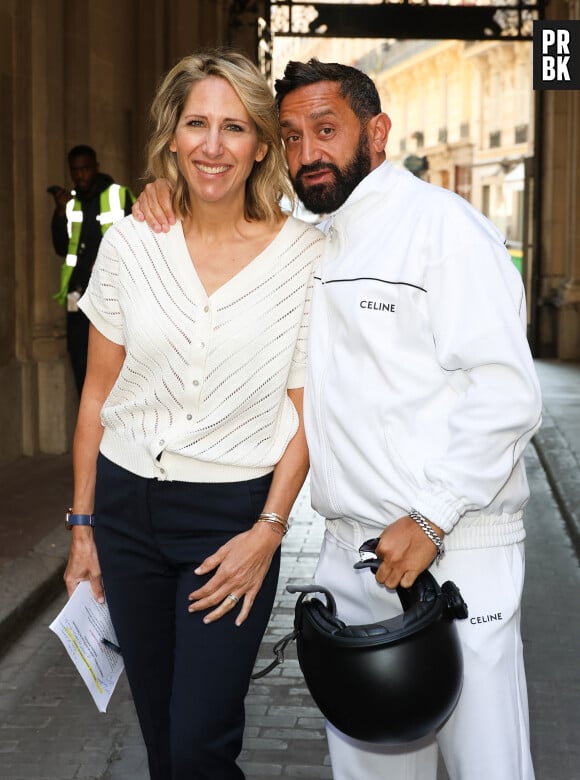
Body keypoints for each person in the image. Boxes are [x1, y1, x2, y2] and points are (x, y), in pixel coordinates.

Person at [133, 58, 542, 780]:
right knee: (367, 768)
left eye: (326, 130)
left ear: (376, 132)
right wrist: (166, 194)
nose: (306, 154)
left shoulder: (441, 230)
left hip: (455, 552)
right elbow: (226, 222)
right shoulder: (308, 238)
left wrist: (433, 518)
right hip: (353, 554)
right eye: (289, 137)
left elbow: (507, 392)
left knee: (488, 767)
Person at [63, 50, 323, 780]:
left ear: (261, 144)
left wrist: (268, 532)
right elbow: (96, 397)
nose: (214, 145)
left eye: (234, 127)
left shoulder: (305, 257)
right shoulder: (129, 245)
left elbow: (309, 417)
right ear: (171, 136)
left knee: (200, 744)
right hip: (124, 512)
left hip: (230, 519)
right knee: (162, 741)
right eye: (197, 123)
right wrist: (82, 527)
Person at [49, 145, 135, 395]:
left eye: (85, 169)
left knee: (115, 362)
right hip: (77, 297)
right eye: (75, 171)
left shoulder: (119, 196)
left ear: (96, 167)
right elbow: (61, 247)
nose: (80, 176)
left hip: (113, 294)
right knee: (80, 361)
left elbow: (137, 239)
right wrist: (59, 213)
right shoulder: (70, 204)